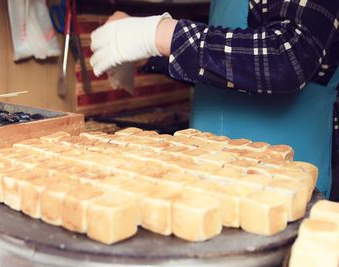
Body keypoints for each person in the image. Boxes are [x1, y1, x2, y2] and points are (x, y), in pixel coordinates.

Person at [90, 0, 339, 198]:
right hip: (205, 174)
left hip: (282, 180)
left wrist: (158, 34)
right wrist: (149, 52)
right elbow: (229, 67)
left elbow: (286, 57)